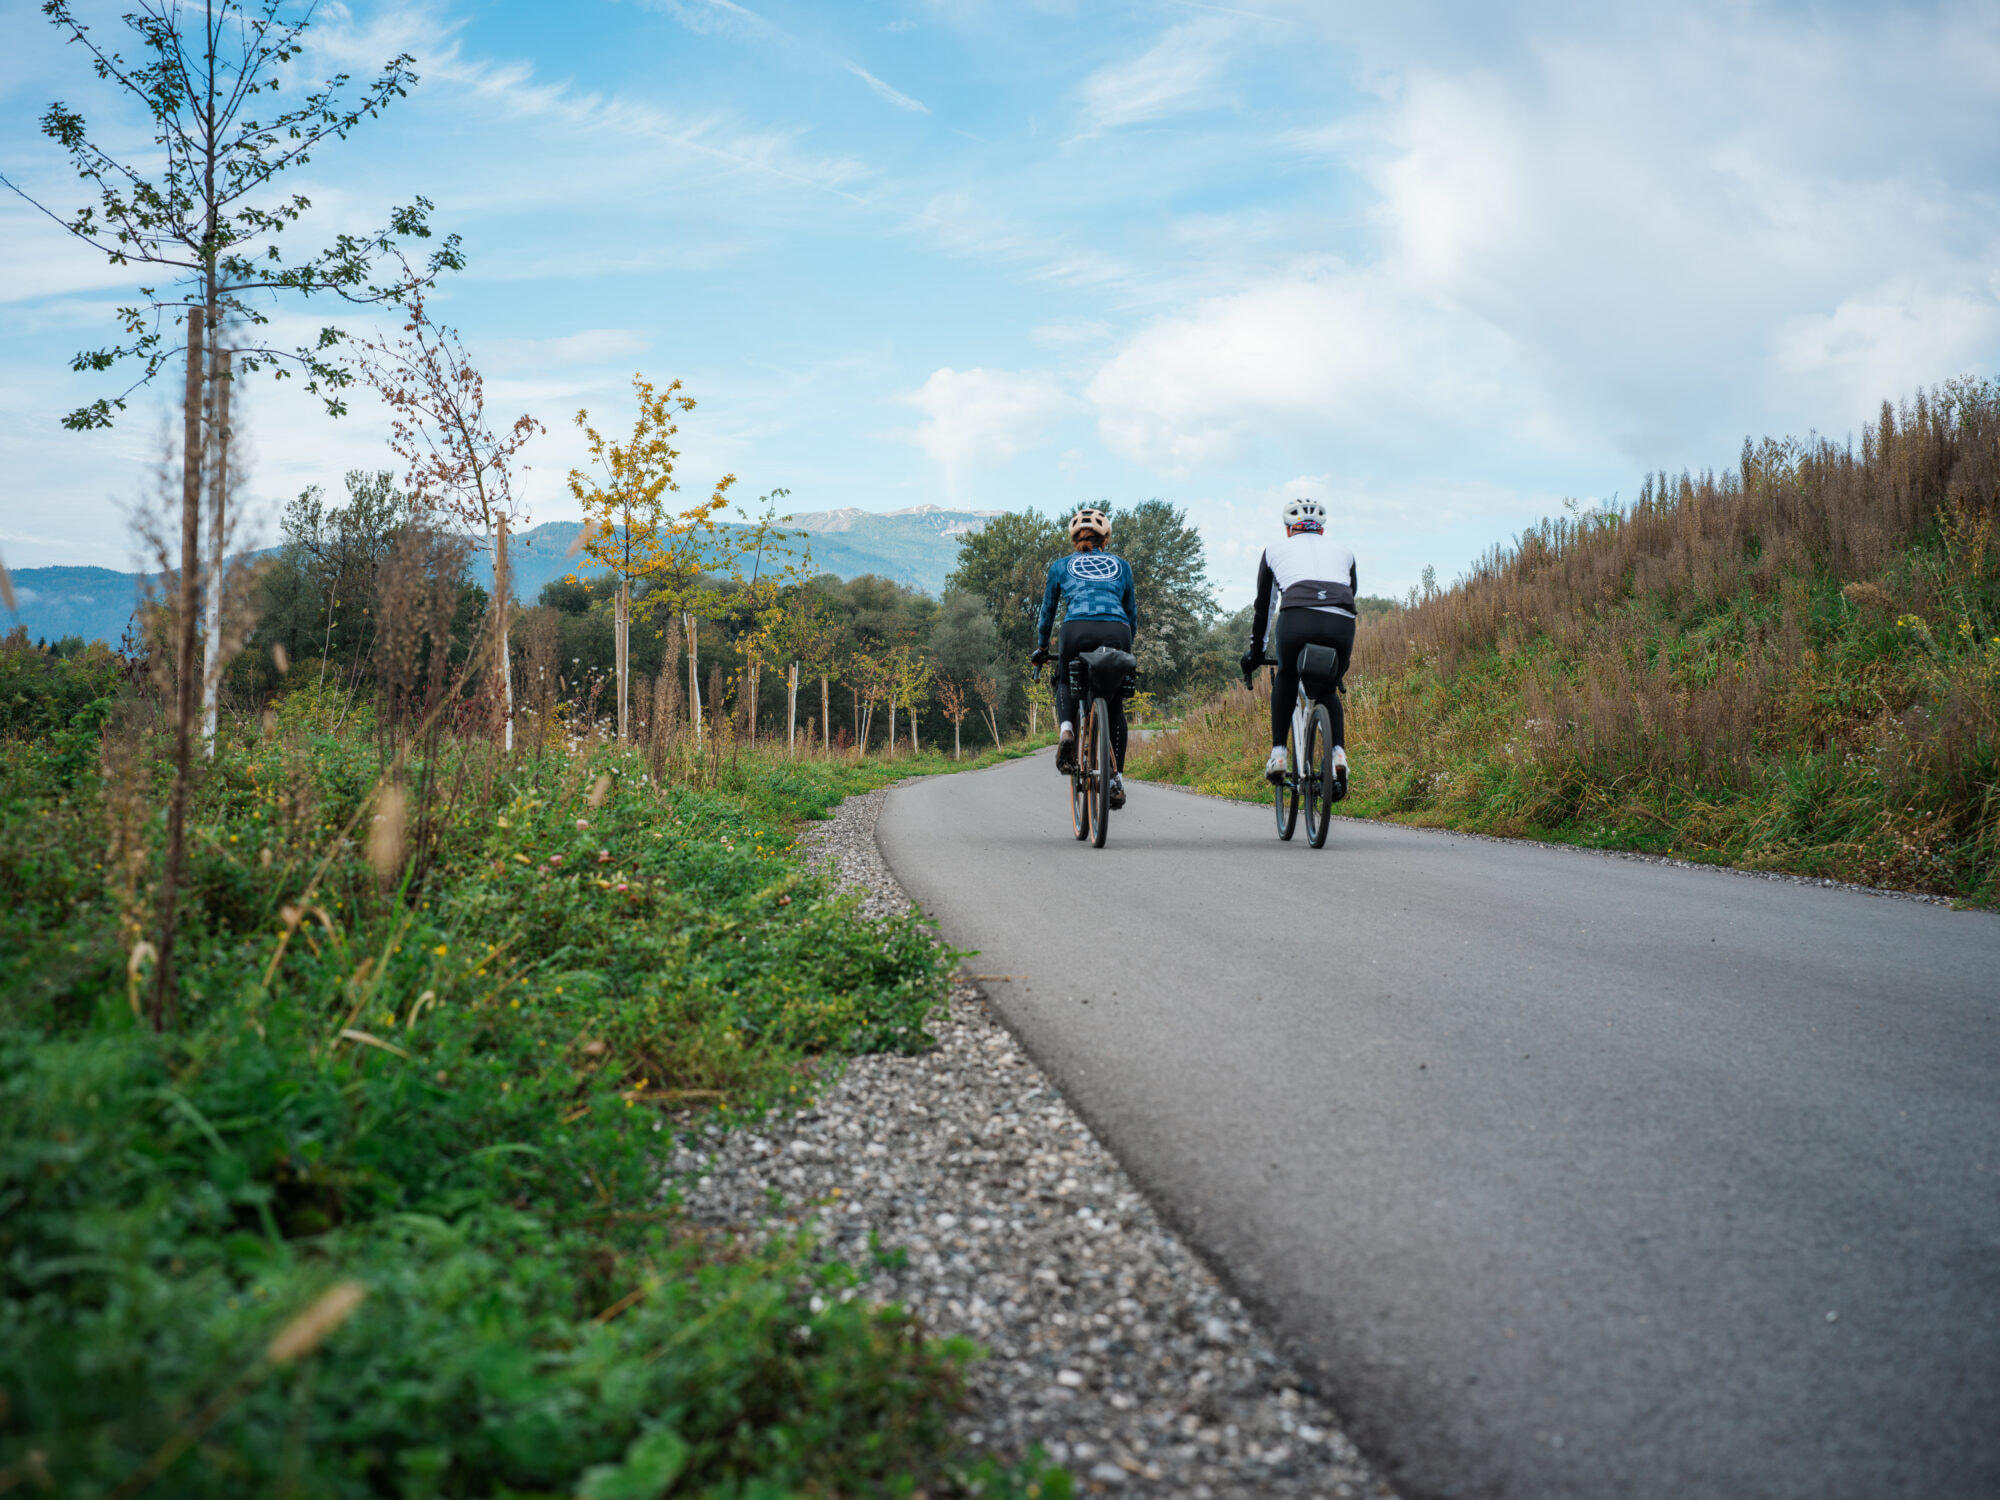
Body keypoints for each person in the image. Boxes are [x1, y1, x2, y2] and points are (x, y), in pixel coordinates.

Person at [1241, 497, 1356, 794]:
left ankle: (1279, 753)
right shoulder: (1345, 552)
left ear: (1288, 528)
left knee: (1288, 676)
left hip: (1297, 619)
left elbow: (1265, 607)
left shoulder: (1274, 550)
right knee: (1328, 689)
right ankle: (1338, 754)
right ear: (1321, 529)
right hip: (1341, 622)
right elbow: (1350, 592)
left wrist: (1257, 651)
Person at [1030, 508, 1137, 807]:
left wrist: (1041, 647)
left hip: (1076, 628)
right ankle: (1116, 780)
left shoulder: (1061, 566)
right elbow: (1132, 613)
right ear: (1106, 538)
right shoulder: (1121, 566)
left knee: (1064, 679)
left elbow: (1047, 613)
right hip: (1117, 630)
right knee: (1114, 702)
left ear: (1074, 538)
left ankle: (1067, 731)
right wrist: (1127, 648)